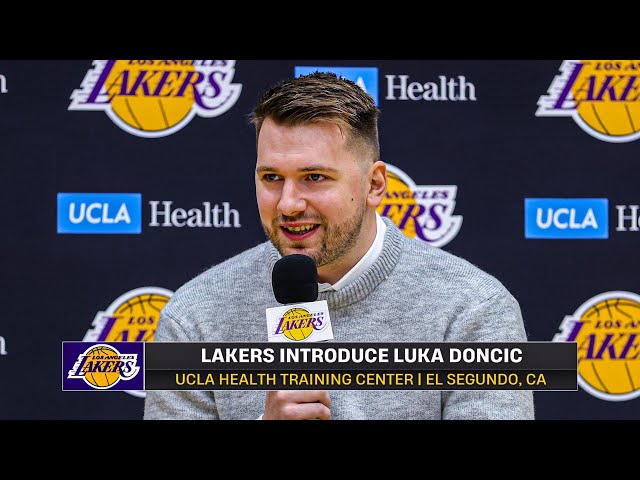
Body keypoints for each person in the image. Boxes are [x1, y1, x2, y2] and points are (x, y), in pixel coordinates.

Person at [143, 71, 535, 420]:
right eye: (272, 177)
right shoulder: (194, 317)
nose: (289, 204)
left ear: (375, 184)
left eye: (314, 177)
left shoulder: (473, 309)